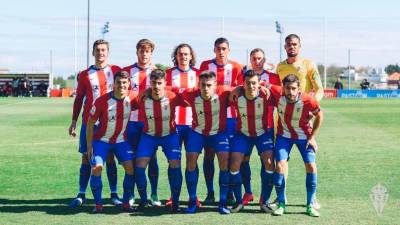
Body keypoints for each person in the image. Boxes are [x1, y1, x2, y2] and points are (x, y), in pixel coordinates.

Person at [69, 39, 122, 208]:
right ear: (93, 53)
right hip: (89, 122)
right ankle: (81, 194)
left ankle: (114, 193)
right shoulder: (85, 75)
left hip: (110, 123)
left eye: (103, 50)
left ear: (108, 52)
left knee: (110, 157)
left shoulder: (116, 71)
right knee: (87, 157)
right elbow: (79, 99)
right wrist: (74, 121)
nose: (100, 53)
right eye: (97, 50)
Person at [276, 34, 323, 209]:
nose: (292, 47)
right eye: (289, 44)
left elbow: (319, 89)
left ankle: (312, 198)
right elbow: (274, 90)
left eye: (295, 44)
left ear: (300, 46)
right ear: (285, 47)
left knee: (310, 162)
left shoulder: (308, 64)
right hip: (283, 120)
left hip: (305, 119)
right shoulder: (279, 67)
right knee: (281, 162)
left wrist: (312, 109)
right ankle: (281, 198)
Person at [133, 69, 188, 213]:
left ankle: (175, 203)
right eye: (153, 83)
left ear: (164, 83)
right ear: (149, 83)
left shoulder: (173, 96)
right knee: (139, 167)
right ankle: (144, 201)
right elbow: (126, 104)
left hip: (169, 136)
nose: (156, 86)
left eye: (159, 83)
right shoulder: (142, 97)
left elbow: (191, 99)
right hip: (148, 136)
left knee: (175, 165)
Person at [179, 71, 232, 214]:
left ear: (215, 85)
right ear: (198, 85)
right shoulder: (191, 94)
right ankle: (192, 200)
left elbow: (241, 88)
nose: (206, 88)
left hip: (219, 133)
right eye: (203, 85)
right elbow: (171, 89)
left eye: (209, 85)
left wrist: (263, 85)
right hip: (198, 132)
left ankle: (222, 202)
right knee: (190, 161)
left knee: (224, 162)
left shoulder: (224, 93)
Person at [270, 74, 323, 217]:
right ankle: (281, 203)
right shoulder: (276, 93)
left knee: (311, 166)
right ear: (283, 88)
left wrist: (312, 137)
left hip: (304, 137)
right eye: (287, 88)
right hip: (284, 136)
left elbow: (320, 115)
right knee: (280, 166)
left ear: (299, 88)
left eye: (294, 88)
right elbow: (261, 84)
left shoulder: (308, 100)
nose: (291, 92)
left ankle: (310, 204)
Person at [199, 37, 243, 204]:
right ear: (214, 50)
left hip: (232, 118)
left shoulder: (237, 67)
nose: (221, 51)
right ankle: (210, 193)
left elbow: (241, 89)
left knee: (229, 156)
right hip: (211, 117)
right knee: (209, 154)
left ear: (229, 50)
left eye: (224, 48)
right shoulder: (205, 66)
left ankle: (229, 192)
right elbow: (200, 87)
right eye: (218, 48)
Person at [228, 70, 276, 213]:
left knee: (269, 163)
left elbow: (283, 93)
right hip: (243, 134)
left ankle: (264, 201)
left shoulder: (267, 95)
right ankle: (239, 201)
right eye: (248, 83)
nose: (251, 86)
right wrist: (234, 89)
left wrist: (268, 86)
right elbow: (221, 92)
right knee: (234, 164)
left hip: (263, 133)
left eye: (254, 83)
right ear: (243, 84)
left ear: (259, 83)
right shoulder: (236, 95)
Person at [87, 71, 136, 213]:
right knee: (97, 167)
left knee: (131, 168)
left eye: (124, 82)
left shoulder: (133, 98)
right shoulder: (102, 101)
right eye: (118, 82)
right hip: (101, 141)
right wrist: (90, 145)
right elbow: (90, 122)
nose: (121, 85)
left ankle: (126, 203)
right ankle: (98, 204)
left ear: (129, 85)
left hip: (121, 141)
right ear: (113, 84)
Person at [122, 39, 161, 206]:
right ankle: (130, 194)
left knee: (152, 158)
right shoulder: (128, 71)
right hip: (131, 121)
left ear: (151, 53)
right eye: (141, 51)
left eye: (147, 51)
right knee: (130, 160)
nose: (144, 54)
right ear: (137, 52)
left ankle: (154, 194)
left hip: (150, 122)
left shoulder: (157, 72)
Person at [240, 48, 281, 206]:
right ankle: (248, 192)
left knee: (268, 161)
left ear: (264, 60)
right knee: (244, 159)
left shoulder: (273, 77)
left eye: (260, 59)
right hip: (245, 127)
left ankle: (265, 197)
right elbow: (239, 90)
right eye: (254, 58)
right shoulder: (244, 76)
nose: (257, 61)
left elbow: (279, 96)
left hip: (267, 127)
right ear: (250, 60)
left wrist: (267, 87)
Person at [165, 43, 201, 207]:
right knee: (174, 161)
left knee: (192, 161)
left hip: (193, 125)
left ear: (191, 56)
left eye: (186, 54)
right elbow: (163, 90)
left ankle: (193, 196)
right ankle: (174, 197)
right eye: (180, 54)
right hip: (173, 125)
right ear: (176, 56)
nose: (183, 57)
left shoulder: (199, 74)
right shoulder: (168, 74)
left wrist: (179, 90)